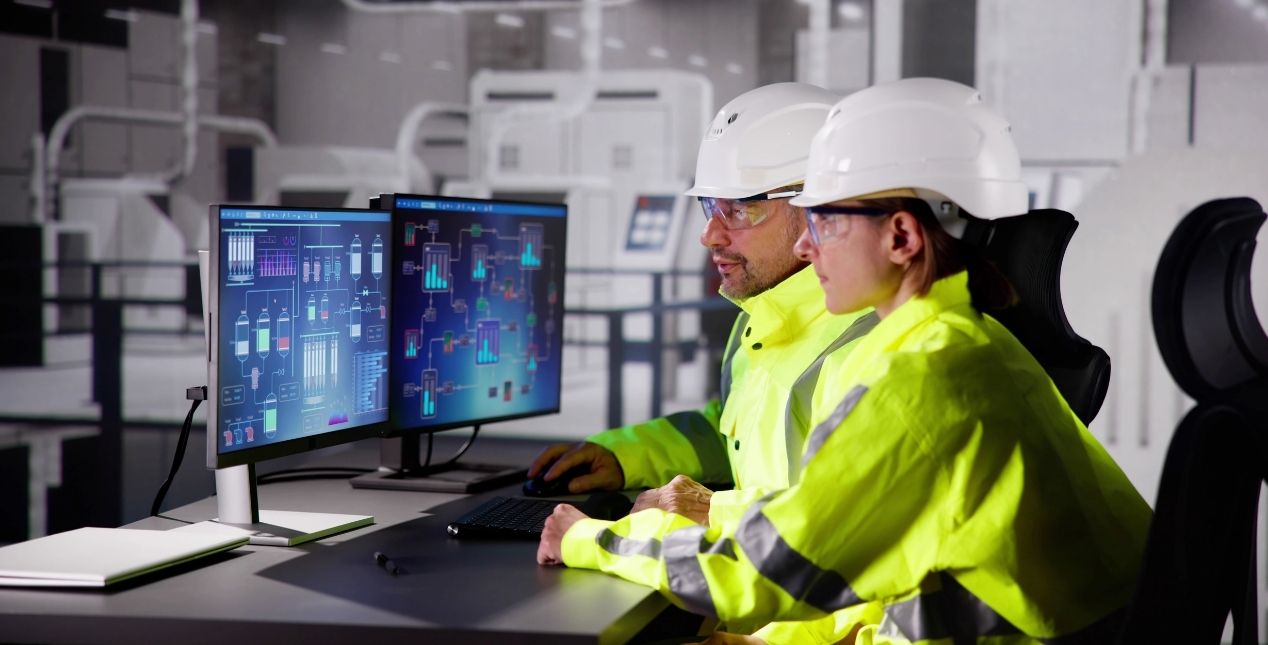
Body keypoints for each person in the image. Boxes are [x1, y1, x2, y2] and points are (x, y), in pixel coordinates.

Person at [537, 77, 1151, 644]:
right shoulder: (963, 344)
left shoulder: (916, 380)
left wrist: (590, 538)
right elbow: (842, 527)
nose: (808, 241)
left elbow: (768, 572)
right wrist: (703, 507)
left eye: (825, 220)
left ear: (903, 238)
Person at [528, 82, 877, 536]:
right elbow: (736, 436)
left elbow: (830, 533)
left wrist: (598, 540)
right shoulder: (759, 320)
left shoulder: (873, 345)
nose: (710, 235)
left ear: (821, 209)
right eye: (711, 206)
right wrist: (624, 456)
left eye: (739, 209)